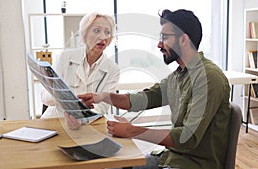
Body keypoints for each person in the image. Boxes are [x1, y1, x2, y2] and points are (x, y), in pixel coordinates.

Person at [74, 9, 231, 169]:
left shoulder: (208, 78)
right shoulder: (180, 75)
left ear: (183, 39)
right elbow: (142, 99)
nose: (159, 44)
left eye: (165, 38)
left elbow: (187, 138)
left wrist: (132, 131)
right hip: (170, 158)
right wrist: (102, 97)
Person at [40, 12, 120, 125]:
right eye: (97, 31)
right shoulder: (64, 57)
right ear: (84, 34)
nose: (103, 37)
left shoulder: (112, 69)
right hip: (54, 120)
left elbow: (102, 106)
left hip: (88, 124)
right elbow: (45, 97)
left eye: (107, 32)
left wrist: (81, 119)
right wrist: (68, 101)